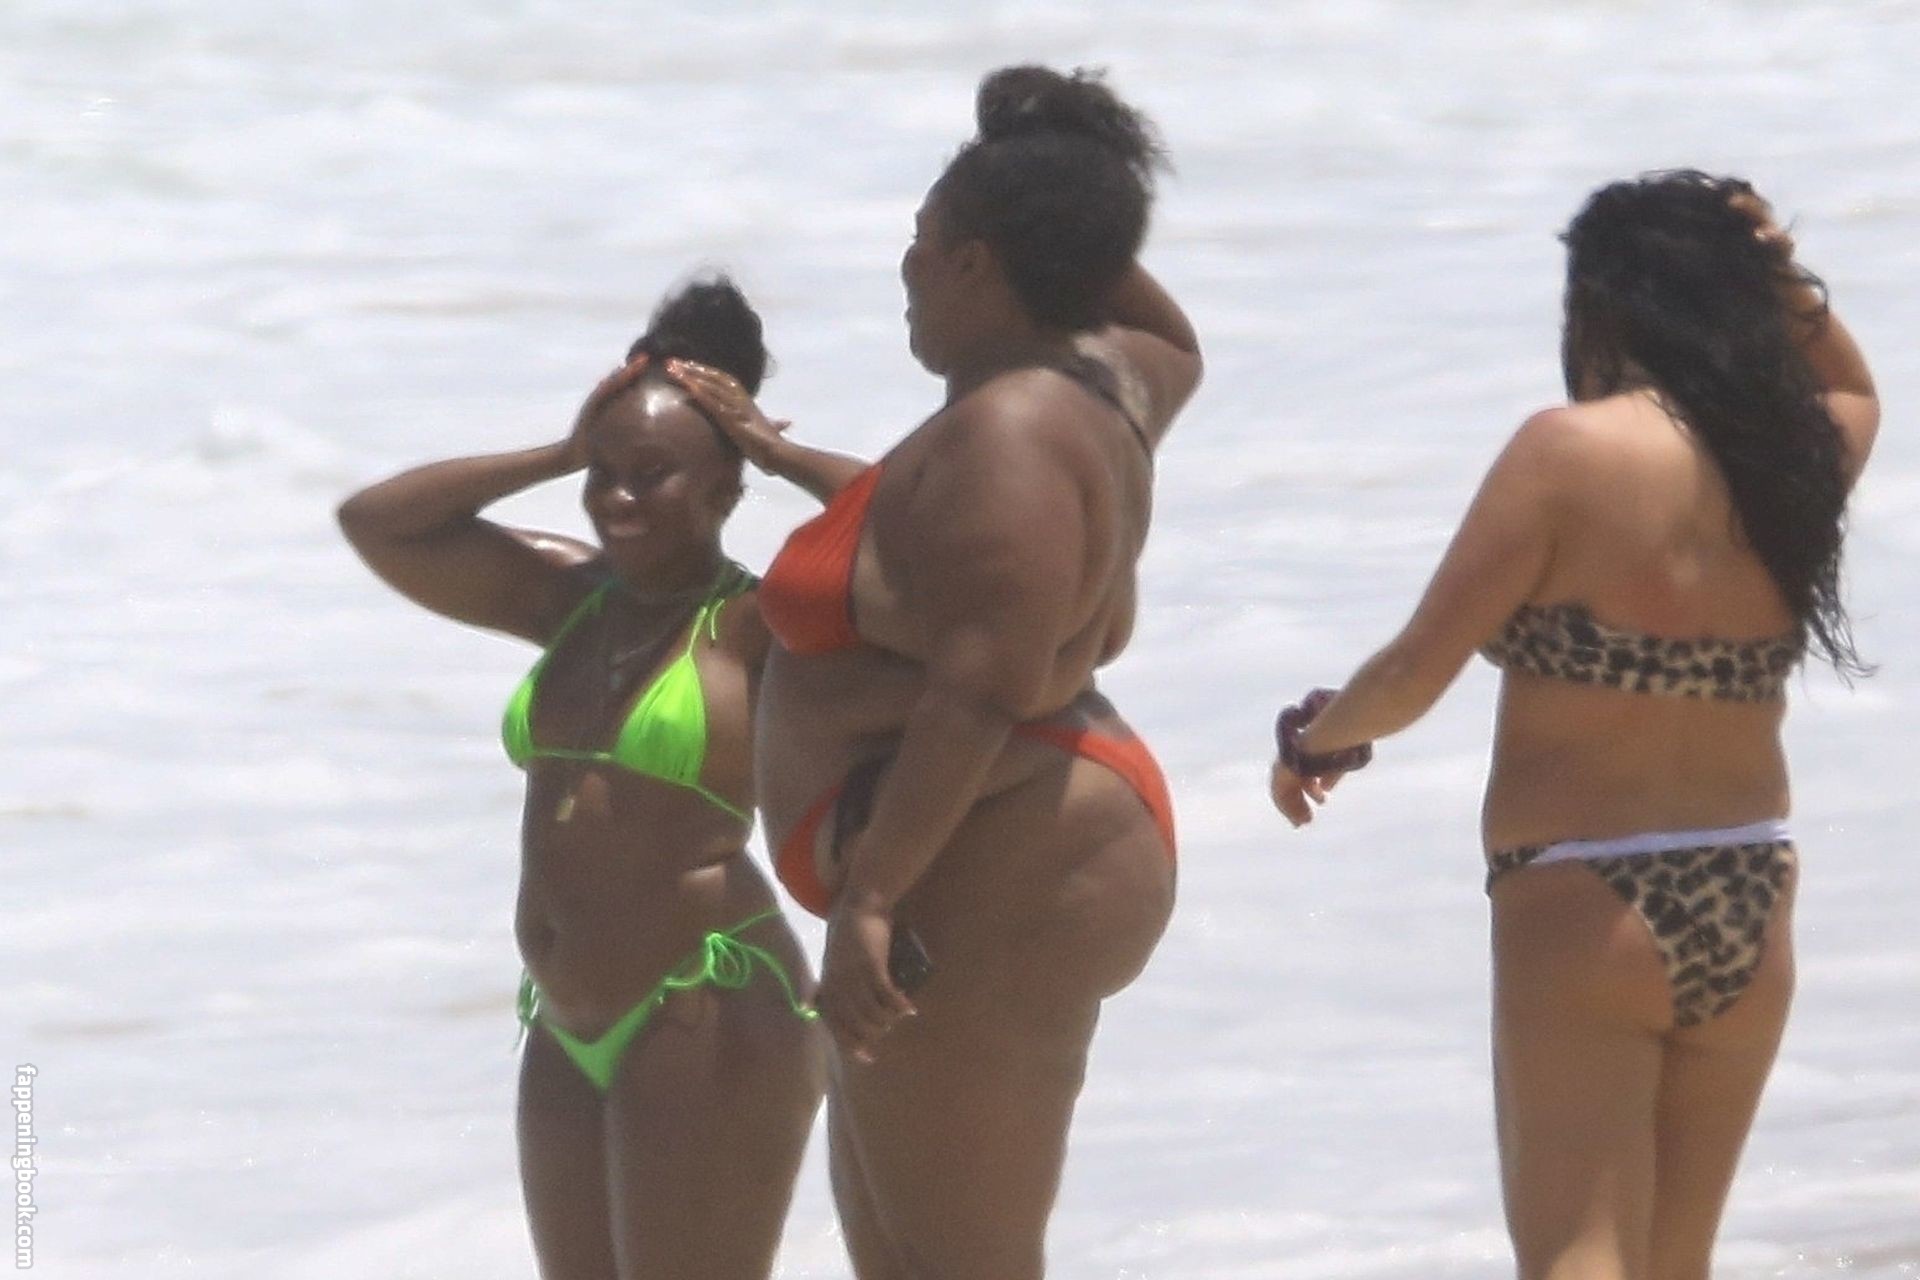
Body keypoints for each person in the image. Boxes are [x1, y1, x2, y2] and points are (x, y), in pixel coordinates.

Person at [1268, 173, 1878, 1279]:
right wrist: (1779, 265)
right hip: (1752, 881)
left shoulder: (1569, 451)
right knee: (1676, 1263)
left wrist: (1317, 742)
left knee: (1577, 1254)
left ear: (1601, 303)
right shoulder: (1790, 455)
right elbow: (1854, 388)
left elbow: (1412, 669)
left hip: (1585, 897)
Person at [670, 64, 1201, 1278]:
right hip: (974, 841)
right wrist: (1055, 156)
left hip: (991, 851)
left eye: (922, 243)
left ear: (975, 263)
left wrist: (870, 896)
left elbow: (983, 685)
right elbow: (941, 544)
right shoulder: (1107, 379)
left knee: (958, 1259)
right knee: (904, 1254)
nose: (903, 270)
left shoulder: (1010, 432)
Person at [336, 278, 826, 1280]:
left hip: (705, 998)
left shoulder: (759, 623)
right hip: (564, 1019)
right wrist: (559, 451)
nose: (616, 499)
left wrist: (783, 455)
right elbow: (377, 522)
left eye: (652, 475)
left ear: (726, 489)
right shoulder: (567, 597)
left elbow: (918, 544)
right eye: (603, 473)